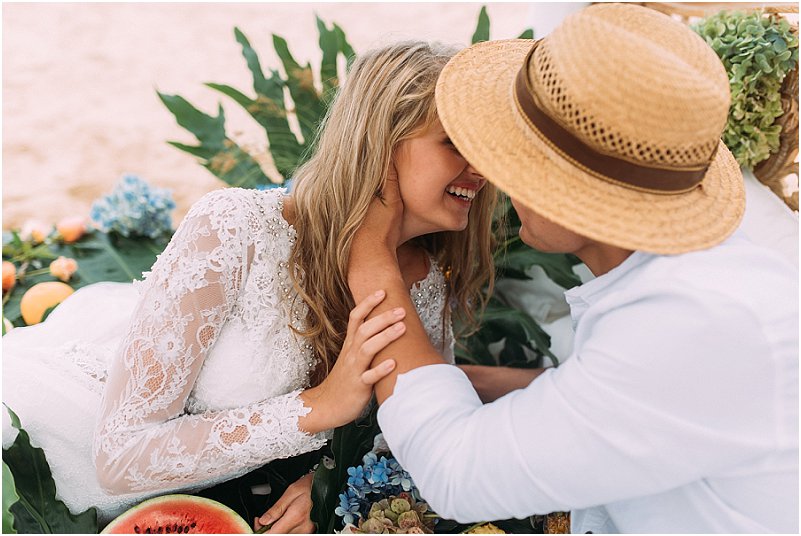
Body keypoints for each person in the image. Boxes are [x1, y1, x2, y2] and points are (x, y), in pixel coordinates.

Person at [2, 40, 499, 532]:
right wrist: (319, 406)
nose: (479, 169)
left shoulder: (425, 283)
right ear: (381, 142)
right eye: (454, 143)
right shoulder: (237, 228)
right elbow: (120, 454)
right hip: (54, 455)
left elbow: (414, 431)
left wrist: (327, 479)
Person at [347, 4, 798, 533]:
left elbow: (457, 474)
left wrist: (371, 259)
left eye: (516, 155)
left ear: (572, 190)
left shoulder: (686, 325)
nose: (496, 176)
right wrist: (483, 381)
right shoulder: (705, 275)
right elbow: (621, 403)